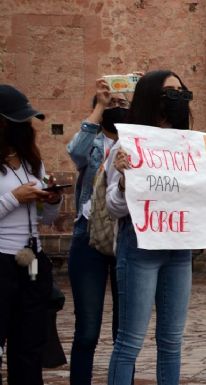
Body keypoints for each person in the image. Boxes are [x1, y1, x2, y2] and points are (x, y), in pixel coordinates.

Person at [105, 70, 195, 385]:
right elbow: (114, 208)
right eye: (170, 91)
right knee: (130, 340)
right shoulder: (126, 146)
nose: (178, 97)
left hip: (179, 248)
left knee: (172, 340)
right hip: (140, 247)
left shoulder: (192, 146)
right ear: (151, 97)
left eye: (181, 91)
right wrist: (125, 181)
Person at [66, 77, 129, 385]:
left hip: (125, 239)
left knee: (124, 330)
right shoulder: (93, 142)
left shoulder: (135, 144)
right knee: (87, 330)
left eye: (123, 104)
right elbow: (75, 152)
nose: (117, 108)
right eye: (112, 104)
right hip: (87, 237)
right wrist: (100, 106)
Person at [0, 84, 63, 385]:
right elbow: (15, 202)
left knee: (30, 346)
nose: (25, 127)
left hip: (32, 261)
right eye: (18, 122)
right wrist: (15, 197)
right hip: (1, 260)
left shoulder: (31, 162)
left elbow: (44, 218)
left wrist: (52, 200)